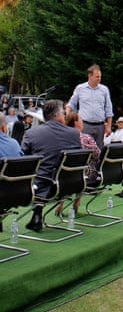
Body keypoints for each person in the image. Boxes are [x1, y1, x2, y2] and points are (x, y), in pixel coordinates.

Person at [21, 99, 82, 231]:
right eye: (64, 114)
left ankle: (37, 214)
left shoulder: (31, 134)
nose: (65, 117)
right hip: (70, 184)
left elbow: (22, 159)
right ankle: (36, 215)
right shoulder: (74, 134)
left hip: (42, 186)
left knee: (38, 174)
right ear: (57, 115)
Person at [55, 111, 100, 215]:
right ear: (76, 122)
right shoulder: (87, 138)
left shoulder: (61, 137)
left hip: (63, 173)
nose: (82, 122)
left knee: (69, 171)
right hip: (86, 174)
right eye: (80, 119)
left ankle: (61, 203)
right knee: (82, 170)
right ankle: (77, 201)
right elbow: (97, 155)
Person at [66, 64, 113, 149]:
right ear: (90, 76)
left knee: (99, 150)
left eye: (100, 77)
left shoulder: (104, 90)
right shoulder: (80, 88)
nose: (99, 79)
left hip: (100, 126)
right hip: (85, 125)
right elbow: (71, 104)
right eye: (97, 77)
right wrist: (67, 118)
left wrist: (109, 126)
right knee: (84, 149)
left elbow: (109, 109)